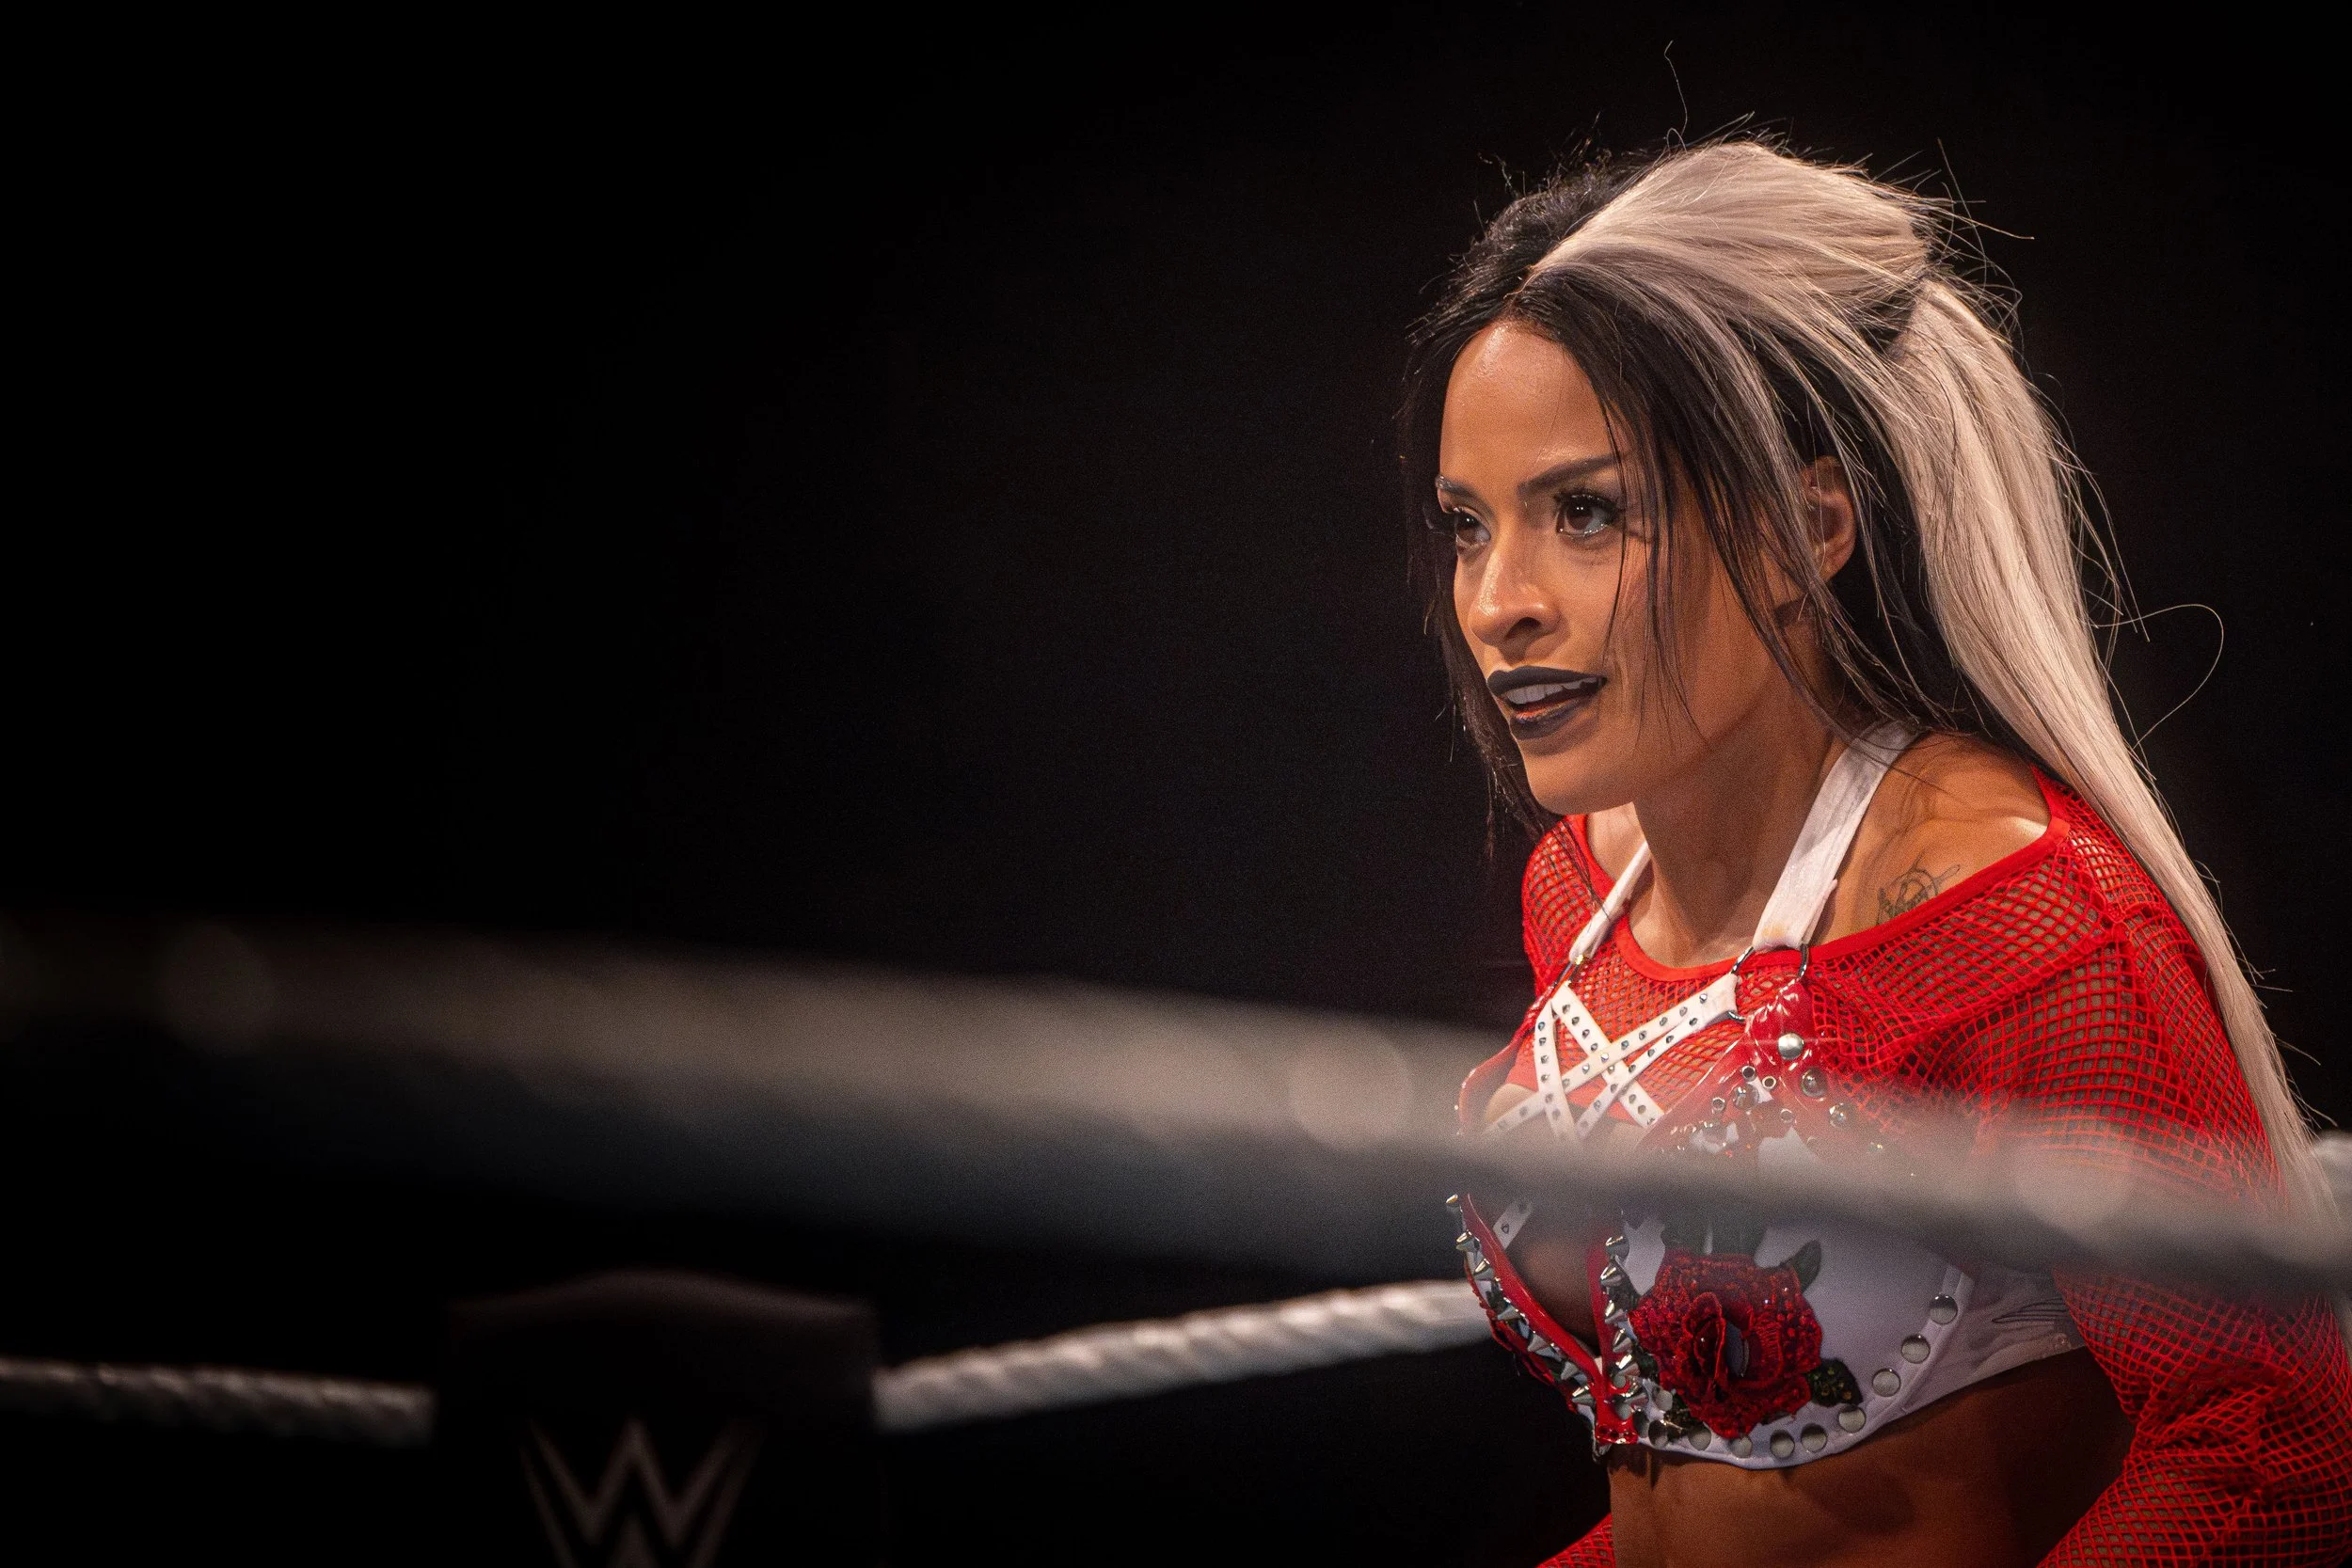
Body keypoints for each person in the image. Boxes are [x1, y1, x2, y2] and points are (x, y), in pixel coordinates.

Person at [1402, 140, 2352, 1567]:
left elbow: (2273, 1451)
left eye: (1586, 512)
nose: (1497, 602)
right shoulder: (1586, 887)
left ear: (1805, 531)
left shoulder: (2021, 925)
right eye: (1468, 526)